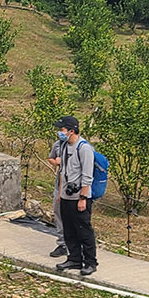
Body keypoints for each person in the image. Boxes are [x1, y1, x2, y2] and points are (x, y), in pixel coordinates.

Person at [54, 116, 97, 276]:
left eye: (62, 130)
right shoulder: (64, 146)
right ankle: (74, 258)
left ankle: (90, 262)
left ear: (71, 131)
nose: (60, 133)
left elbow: (87, 176)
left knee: (84, 230)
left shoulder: (84, 148)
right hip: (65, 195)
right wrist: (60, 192)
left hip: (80, 197)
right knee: (69, 229)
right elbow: (62, 171)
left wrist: (83, 198)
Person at [46, 132, 68, 258]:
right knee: (58, 214)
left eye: (63, 129)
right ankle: (62, 244)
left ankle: (76, 245)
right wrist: (56, 162)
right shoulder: (58, 144)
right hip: (59, 184)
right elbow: (51, 158)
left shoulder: (81, 147)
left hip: (73, 188)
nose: (60, 132)